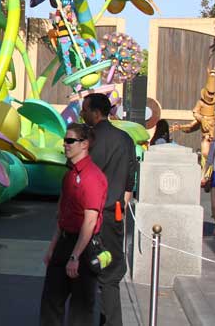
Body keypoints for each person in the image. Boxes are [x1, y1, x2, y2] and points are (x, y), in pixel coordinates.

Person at [39, 123, 106, 326]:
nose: (66, 144)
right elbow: (62, 214)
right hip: (64, 242)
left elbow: (90, 221)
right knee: (51, 302)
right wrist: (52, 247)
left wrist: (75, 256)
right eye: (65, 140)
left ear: (84, 144)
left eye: (70, 140)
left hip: (84, 248)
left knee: (80, 310)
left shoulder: (93, 177)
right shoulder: (69, 175)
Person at [81, 92, 136, 326]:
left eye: (84, 109)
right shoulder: (125, 139)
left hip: (90, 215)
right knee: (110, 276)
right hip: (114, 214)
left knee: (84, 273)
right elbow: (130, 177)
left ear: (95, 112)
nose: (82, 113)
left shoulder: (89, 140)